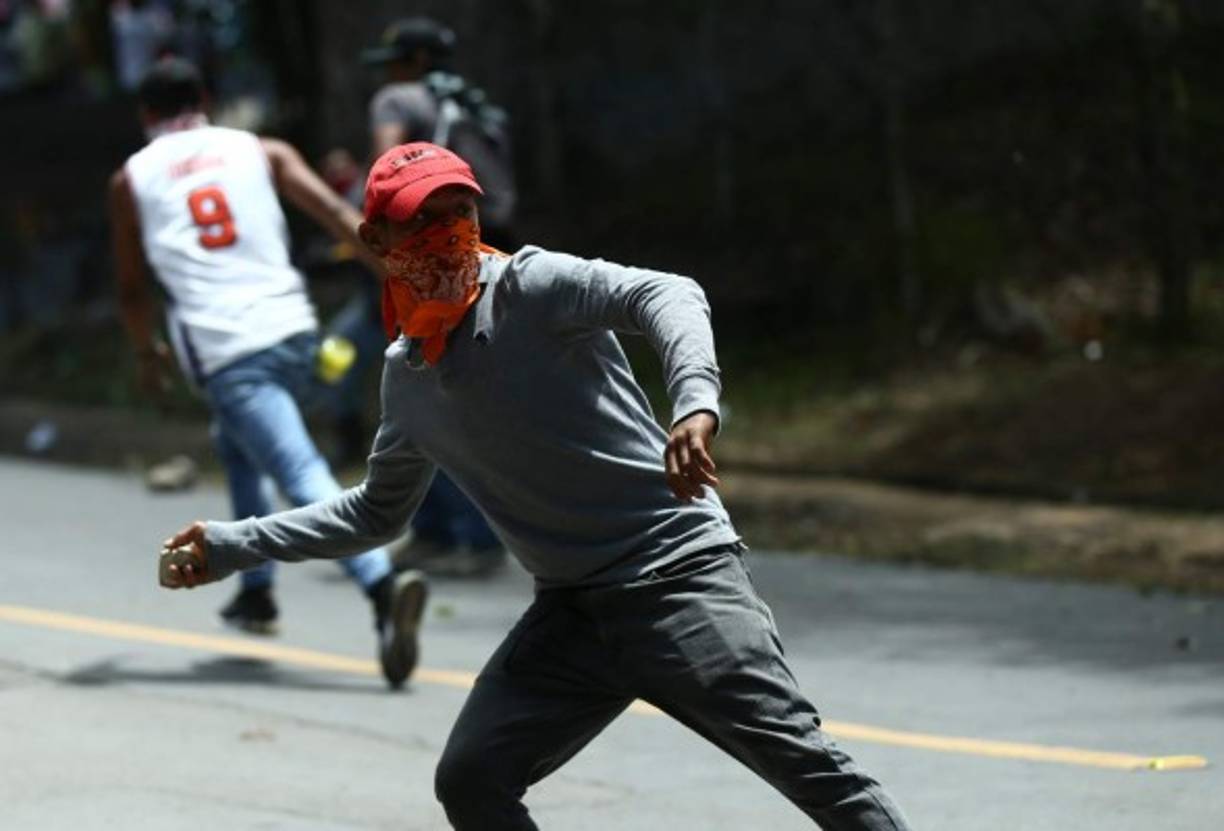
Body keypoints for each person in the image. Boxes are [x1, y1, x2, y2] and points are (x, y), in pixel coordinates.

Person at [160, 142, 914, 830]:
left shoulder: (532, 285)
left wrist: (695, 405)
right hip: (573, 616)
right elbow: (373, 512)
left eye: (463, 210)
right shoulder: (408, 377)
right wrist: (232, 545)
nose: (453, 231)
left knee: (817, 777)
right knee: (472, 778)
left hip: (680, 581)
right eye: (427, 219)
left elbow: (669, 293)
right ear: (378, 242)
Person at [109, 57, 427, 689]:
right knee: (237, 445)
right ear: (205, 98)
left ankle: (382, 588)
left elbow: (131, 288)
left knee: (298, 468)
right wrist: (406, 288)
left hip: (229, 353)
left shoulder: (131, 179)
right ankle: (256, 591)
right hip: (295, 334)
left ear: (145, 115)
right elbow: (342, 219)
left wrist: (147, 352)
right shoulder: (264, 150)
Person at [358, 15, 514, 576]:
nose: (390, 75)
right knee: (461, 395)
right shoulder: (475, 107)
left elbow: (385, 170)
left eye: (396, 62)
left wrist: (372, 237)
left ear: (416, 63)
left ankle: (454, 533)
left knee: (416, 394)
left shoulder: (398, 99)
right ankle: (461, 532)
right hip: (484, 261)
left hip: (424, 267)